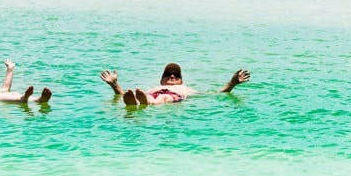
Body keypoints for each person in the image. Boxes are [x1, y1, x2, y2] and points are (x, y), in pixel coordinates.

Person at [100, 62, 249, 106]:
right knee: (140, 95)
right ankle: (143, 101)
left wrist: (232, 83)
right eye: (168, 74)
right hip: (150, 95)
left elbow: (216, 94)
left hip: (174, 97)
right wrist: (114, 85)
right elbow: (125, 95)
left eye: (176, 75)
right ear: (161, 80)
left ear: (181, 80)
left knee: (165, 98)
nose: (172, 76)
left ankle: (146, 102)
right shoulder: (155, 87)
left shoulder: (185, 88)